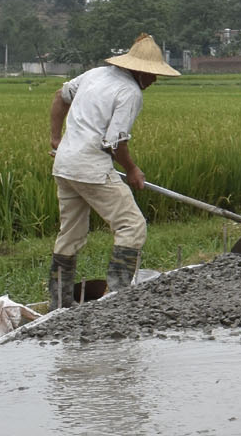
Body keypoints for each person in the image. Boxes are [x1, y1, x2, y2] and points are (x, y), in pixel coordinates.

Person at [46, 33, 179, 306]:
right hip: (91, 167)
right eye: (152, 75)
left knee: (70, 234)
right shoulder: (129, 92)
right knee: (132, 225)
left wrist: (57, 139)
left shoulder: (95, 75)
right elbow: (116, 143)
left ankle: (59, 303)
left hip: (65, 165)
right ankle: (119, 299)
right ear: (138, 70)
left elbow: (60, 95)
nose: (154, 81)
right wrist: (132, 169)